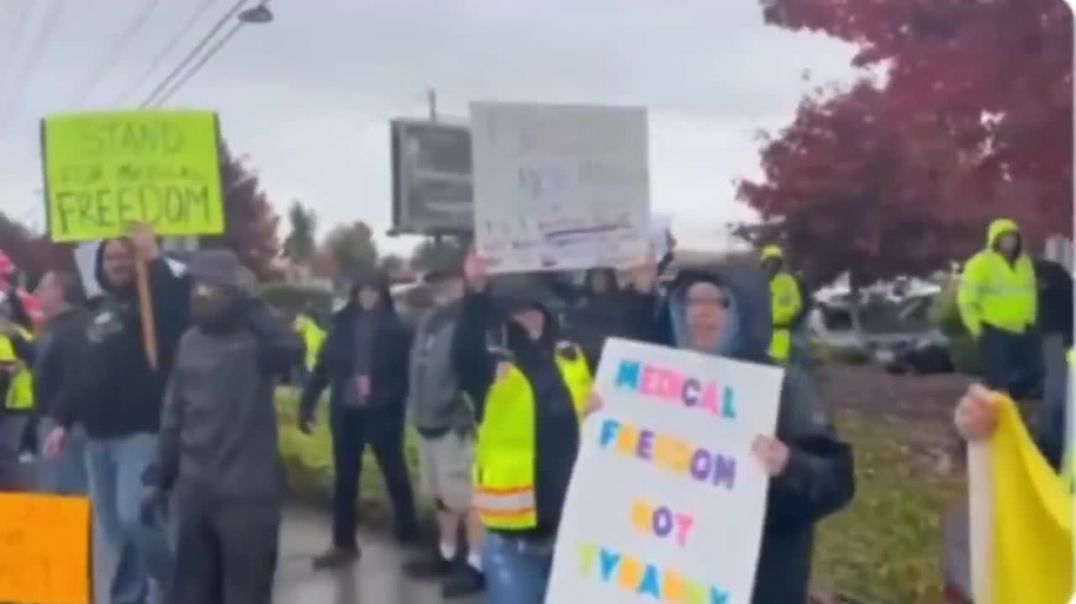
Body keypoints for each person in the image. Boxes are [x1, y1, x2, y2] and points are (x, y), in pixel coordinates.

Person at [663, 266, 855, 603]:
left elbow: (835, 482)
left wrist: (789, 467)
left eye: (718, 302)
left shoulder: (786, 385)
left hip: (763, 578)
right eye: (691, 301)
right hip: (683, 575)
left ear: (745, 310)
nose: (700, 312)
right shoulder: (661, 385)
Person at [43, 226, 188, 604]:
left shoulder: (153, 305)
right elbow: (82, 374)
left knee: (134, 516)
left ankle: (173, 582)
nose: (118, 262)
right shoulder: (96, 312)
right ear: (100, 265)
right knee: (114, 533)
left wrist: (153, 259)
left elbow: (174, 308)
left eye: (125, 255)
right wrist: (63, 422)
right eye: (110, 257)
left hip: (139, 435)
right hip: (96, 440)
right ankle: (129, 597)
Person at [152, 250, 302, 604]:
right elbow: (174, 413)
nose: (201, 294)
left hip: (247, 494)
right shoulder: (189, 342)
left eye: (211, 287)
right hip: (196, 492)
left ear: (233, 293)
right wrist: (163, 474)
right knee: (194, 592)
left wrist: (254, 309)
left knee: (246, 591)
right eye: (196, 286)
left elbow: (291, 348)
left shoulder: (256, 343)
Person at [454, 255, 594, 604]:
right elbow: (465, 349)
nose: (529, 318)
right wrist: (476, 291)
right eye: (518, 311)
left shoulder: (570, 357)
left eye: (535, 309)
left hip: (571, 530)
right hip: (514, 538)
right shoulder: (492, 366)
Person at [299, 271, 419, 569]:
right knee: (345, 479)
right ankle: (343, 543)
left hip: (383, 411)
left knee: (395, 474)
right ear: (355, 294)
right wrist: (307, 403)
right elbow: (323, 367)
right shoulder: (341, 326)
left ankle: (409, 536)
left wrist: (388, 395)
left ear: (382, 294)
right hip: (347, 410)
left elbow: (409, 374)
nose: (367, 296)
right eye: (363, 291)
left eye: (373, 291)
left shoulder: (398, 330)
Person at [401, 264, 486, 597]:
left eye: (448, 283)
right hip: (427, 422)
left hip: (455, 424)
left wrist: (464, 411)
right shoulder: (428, 322)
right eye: (435, 284)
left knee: (468, 498)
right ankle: (446, 553)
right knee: (441, 495)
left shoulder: (469, 321)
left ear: (461, 284)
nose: (441, 290)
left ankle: (476, 564)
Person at [3, 272, 90, 494]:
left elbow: (75, 375)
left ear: (59, 291)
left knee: (64, 489)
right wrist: (14, 336)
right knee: (53, 486)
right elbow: (39, 359)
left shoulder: (75, 328)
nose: (36, 293)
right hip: (49, 418)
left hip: (64, 423)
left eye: (42, 287)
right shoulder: (53, 327)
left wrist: (62, 421)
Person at [957, 218, 1041, 398]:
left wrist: (1031, 320)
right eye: (1004, 238)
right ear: (995, 240)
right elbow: (967, 300)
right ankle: (998, 406)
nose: (1009, 242)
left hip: (1023, 328)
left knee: (1036, 372)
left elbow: (1030, 292)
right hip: (995, 329)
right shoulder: (980, 263)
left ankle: (1006, 398)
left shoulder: (1024, 263)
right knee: (999, 380)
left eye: (1013, 238)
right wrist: (977, 329)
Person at [760, 245, 804, 364]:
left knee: (779, 363)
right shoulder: (757, 281)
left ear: (780, 264)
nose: (772, 265)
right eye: (769, 261)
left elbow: (796, 303)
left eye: (776, 262)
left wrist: (785, 315)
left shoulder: (787, 281)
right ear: (763, 263)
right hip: (761, 333)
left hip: (781, 331)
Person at [294, 308, 326, 385]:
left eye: (298, 322)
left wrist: (309, 371)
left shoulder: (313, 335)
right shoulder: (309, 335)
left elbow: (312, 356)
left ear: (309, 320)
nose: (295, 323)